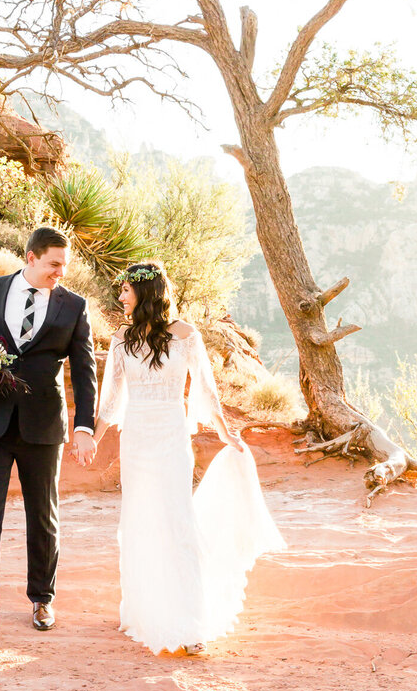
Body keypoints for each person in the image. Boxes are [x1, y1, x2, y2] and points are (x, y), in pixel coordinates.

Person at [92, 261, 285, 655]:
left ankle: (190, 621)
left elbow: (207, 390)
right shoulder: (120, 339)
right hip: (137, 439)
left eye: (127, 290)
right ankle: (141, 610)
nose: (121, 297)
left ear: (145, 293)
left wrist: (226, 431)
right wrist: (92, 438)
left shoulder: (186, 335)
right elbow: (110, 400)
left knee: (177, 521)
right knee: (138, 520)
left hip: (170, 438)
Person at [0, 226, 98, 639]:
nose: (60, 273)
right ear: (31, 257)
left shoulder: (74, 306)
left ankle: (42, 599)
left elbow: (84, 373)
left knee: (43, 517)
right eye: (54, 264)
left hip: (43, 426)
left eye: (65, 266)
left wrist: (84, 427)